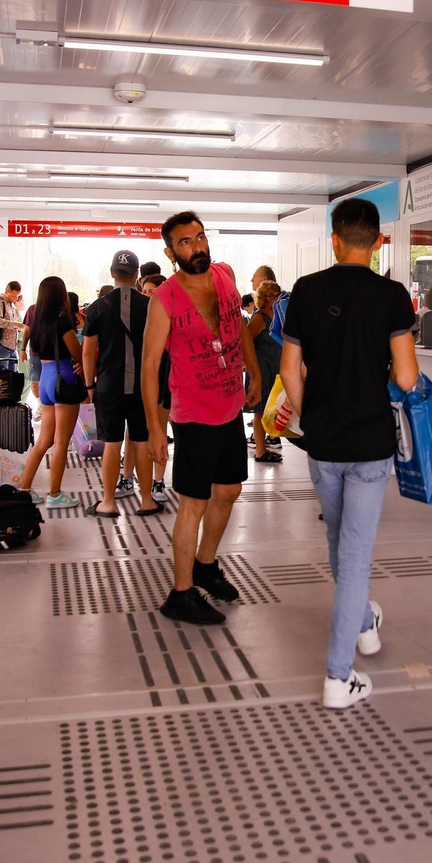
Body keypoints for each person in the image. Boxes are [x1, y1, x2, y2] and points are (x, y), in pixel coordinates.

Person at [280, 197, 419, 709]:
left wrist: (308, 412)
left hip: (323, 443)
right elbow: (406, 377)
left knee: (342, 545)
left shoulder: (307, 292)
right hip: (370, 443)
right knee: (355, 556)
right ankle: (340, 679)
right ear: (378, 242)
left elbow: (289, 371)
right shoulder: (392, 296)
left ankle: (365, 626)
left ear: (334, 241)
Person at [142, 211, 262, 625]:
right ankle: (181, 593)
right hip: (193, 414)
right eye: (185, 242)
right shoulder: (165, 299)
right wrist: (156, 428)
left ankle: (206, 565)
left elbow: (239, 326)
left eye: (200, 237)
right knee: (194, 502)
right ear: (170, 251)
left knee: (228, 491)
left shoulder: (226, 277)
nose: (197, 247)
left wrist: (256, 371)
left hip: (230, 406)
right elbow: (149, 364)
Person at [83, 250, 162, 518]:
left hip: (108, 386)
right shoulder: (150, 305)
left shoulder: (96, 308)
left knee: (112, 443)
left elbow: (87, 352)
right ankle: (147, 501)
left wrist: (89, 385)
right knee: (141, 441)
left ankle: (107, 503)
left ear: (112, 273)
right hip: (143, 388)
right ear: (138, 275)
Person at [17, 277, 86, 509]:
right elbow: (76, 352)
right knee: (61, 443)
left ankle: (25, 489)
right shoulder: (63, 321)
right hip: (63, 377)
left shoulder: (37, 323)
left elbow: (26, 343)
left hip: (46, 378)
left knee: (44, 440)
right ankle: (55, 494)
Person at [139, 274, 171, 502]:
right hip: (143, 380)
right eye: (144, 292)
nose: (147, 296)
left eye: (151, 292)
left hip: (166, 378)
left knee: (159, 428)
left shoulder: (171, 317)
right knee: (137, 432)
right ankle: (135, 479)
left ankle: (158, 481)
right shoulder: (139, 315)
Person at [246, 281, 284, 463]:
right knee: (260, 410)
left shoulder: (280, 314)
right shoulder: (259, 318)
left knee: (273, 406)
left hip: (276, 367)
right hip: (262, 368)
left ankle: (270, 440)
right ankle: (260, 449)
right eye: (273, 296)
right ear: (266, 298)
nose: (277, 298)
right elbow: (246, 342)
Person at [0, 282, 24, 370]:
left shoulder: (10, 305)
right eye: (13, 296)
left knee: (12, 378)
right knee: (3, 378)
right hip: (1, 345)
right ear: (7, 292)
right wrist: (15, 324)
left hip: (12, 347)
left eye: (17, 296)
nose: (15, 299)